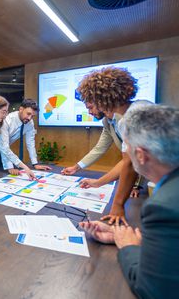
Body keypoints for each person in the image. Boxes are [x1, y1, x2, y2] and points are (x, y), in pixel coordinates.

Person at [80, 105, 179, 299]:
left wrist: (128, 246)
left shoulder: (164, 207)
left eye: (127, 148)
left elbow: (153, 290)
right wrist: (124, 235)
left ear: (140, 156)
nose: (126, 157)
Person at [66, 66, 149, 225]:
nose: (89, 110)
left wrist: (117, 206)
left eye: (91, 104)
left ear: (102, 99)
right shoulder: (126, 115)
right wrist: (97, 183)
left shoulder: (134, 114)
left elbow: (130, 163)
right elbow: (126, 160)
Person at [61, 100, 143, 198]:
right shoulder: (107, 121)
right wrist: (76, 167)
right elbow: (99, 149)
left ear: (102, 103)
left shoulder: (130, 117)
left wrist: (133, 185)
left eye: (91, 107)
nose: (89, 112)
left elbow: (133, 158)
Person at [0, 98, 51, 175]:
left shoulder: (29, 123)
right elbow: (3, 145)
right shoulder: (8, 120)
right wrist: (10, 167)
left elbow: (30, 143)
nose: (29, 118)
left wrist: (35, 163)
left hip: (5, 150)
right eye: (28, 114)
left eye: (32, 116)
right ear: (21, 109)